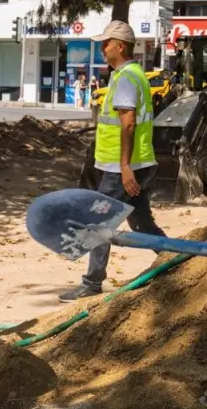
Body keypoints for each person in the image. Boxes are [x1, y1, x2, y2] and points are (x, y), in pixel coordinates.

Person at [59, 20, 167, 302]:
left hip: (124, 169)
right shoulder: (131, 75)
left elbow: (128, 125)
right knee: (141, 222)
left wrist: (123, 167)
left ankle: (92, 283)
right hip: (139, 164)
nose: (103, 48)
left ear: (120, 46)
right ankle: (173, 257)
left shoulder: (126, 78)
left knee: (98, 222)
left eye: (106, 43)